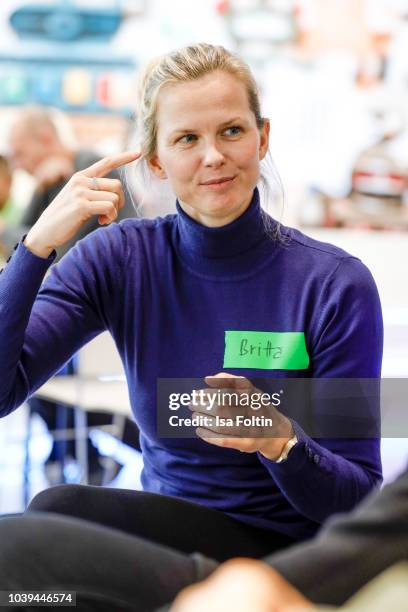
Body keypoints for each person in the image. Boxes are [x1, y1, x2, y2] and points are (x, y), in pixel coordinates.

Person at [0, 43, 383, 608]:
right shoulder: (121, 259)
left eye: (231, 131)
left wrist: (281, 442)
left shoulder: (332, 284)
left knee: (22, 553)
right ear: (155, 159)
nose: (213, 157)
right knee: (48, 536)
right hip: (170, 534)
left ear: (262, 137)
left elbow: (358, 501)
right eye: (186, 139)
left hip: (283, 559)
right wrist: (34, 248)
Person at [3, 106, 140, 485]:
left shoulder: (91, 172)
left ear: (45, 140)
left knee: (31, 372)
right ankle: (88, 458)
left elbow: (65, 265)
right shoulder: (52, 182)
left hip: (105, 332)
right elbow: (23, 247)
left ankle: (93, 454)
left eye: (19, 153)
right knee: (25, 367)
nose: (16, 164)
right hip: (74, 327)